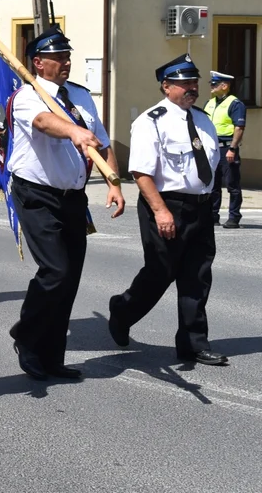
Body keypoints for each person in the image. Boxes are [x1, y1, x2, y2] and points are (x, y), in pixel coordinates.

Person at [7, 27, 124, 381]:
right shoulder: (28, 96)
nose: (65, 62)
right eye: (57, 57)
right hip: (37, 194)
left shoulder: (80, 97)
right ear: (38, 63)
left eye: (67, 56)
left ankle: (52, 356)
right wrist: (72, 130)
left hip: (73, 197)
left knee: (69, 278)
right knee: (55, 271)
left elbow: (101, 142)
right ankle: (26, 336)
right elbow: (43, 122)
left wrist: (114, 183)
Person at [108, 54, 227, 366]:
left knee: (197, 276)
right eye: (184, 83)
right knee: (160, 273)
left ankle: (193, 343)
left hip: (199, 208)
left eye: (194, 82)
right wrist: (161, 212)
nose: (192, 88)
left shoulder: (203, 119)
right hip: (164, 204)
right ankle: (122, 311)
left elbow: (208, 167)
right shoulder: (151, 122)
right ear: (166, 86)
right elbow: (141, 173)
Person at [205, 70, 246, 229]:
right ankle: (213, 215)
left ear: (225, 86)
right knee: (213, 184)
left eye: (214, 84)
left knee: (232, 184)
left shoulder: (235, 104)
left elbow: (239, 127)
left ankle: (234, 217)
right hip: (211, 148)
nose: (212, 87)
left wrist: (232, 149)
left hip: (227, 148)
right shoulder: (210, 102)